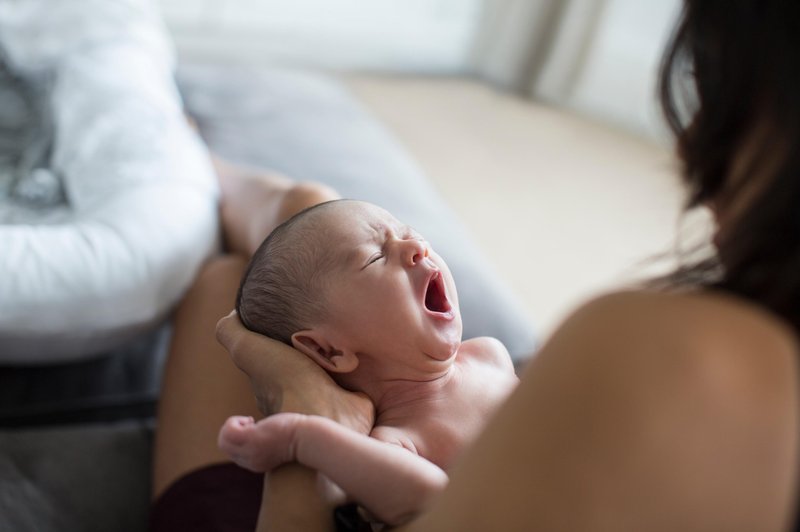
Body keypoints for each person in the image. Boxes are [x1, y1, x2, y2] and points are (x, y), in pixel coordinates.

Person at [152, 1, 800, 530]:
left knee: (233, 276)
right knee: (309, 223)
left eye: (717, 94)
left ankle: (177, 163)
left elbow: (413, 492)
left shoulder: (709, 359)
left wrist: (302, 421)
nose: (691, 145)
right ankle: (186, 162)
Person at [217, 199, 518, 526]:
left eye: (407, 232)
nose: (417, 246)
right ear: (328, 350)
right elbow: (434, 497)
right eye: (376, 257)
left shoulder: (491, 356)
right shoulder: (396, 442)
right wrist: (300, 438)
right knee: (221, 274)